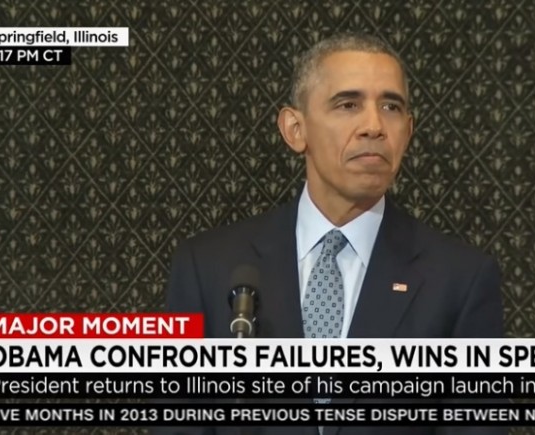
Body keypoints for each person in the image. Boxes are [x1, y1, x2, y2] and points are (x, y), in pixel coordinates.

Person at [165, 33, 505, 435]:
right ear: (295, 129)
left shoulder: (461, 281)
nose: (374, 126)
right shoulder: (207, 268)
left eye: (391, 107)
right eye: (348, 104)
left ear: (408, 131)